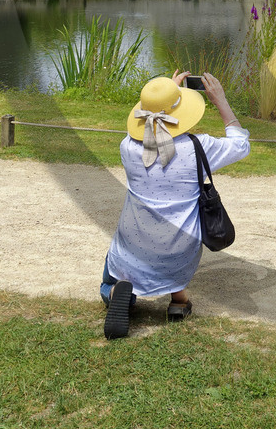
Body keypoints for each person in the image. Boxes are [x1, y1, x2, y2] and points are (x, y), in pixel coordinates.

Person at [101, 70, 249, 338]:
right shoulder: (197, 147)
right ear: (182, 113)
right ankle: (178, 301)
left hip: (133, 246)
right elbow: (240, 145)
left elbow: (153, 136)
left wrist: (164, 93)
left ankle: (117, 292)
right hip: (179, 250)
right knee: (170, 248)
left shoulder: (128, 148)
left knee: (116, 266)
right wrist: (221, 102)